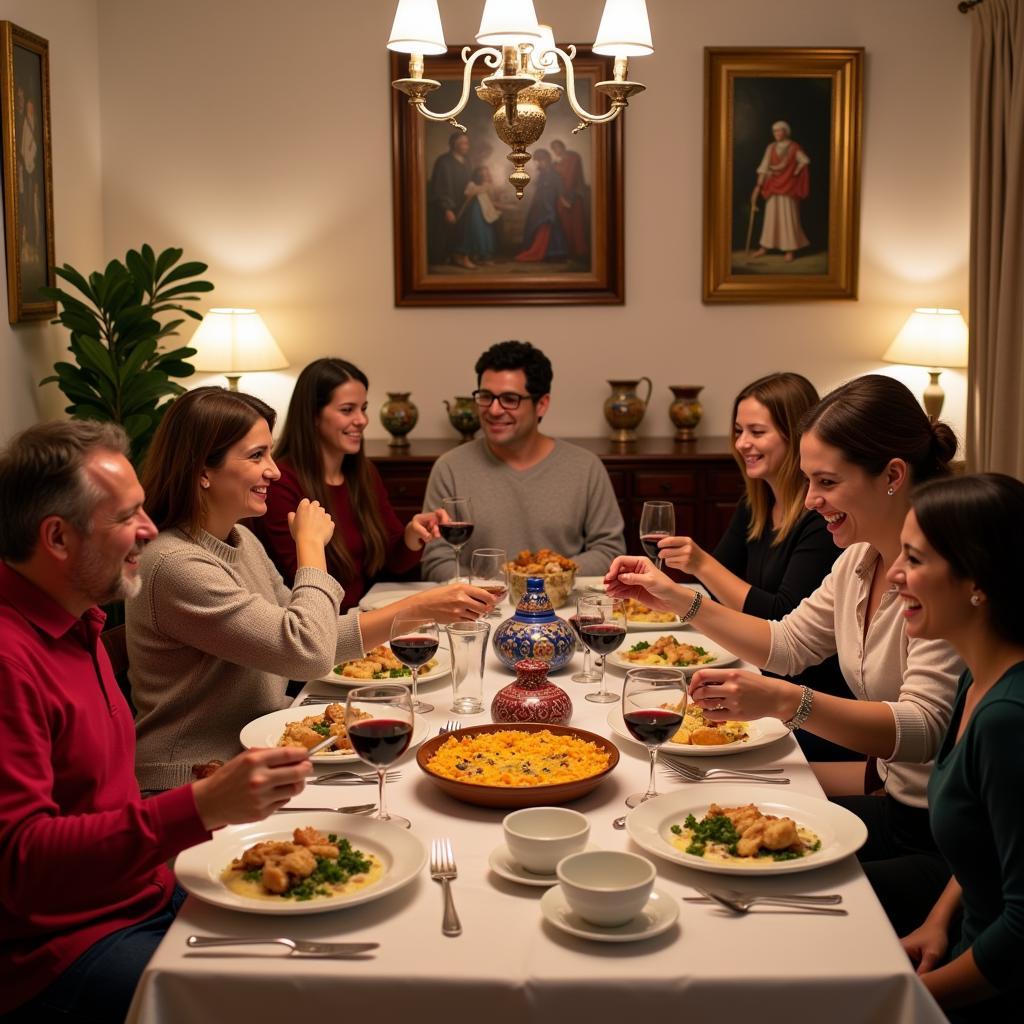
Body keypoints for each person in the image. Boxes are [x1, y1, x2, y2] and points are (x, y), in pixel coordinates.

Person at [605, 374, 963, 924]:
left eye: (826, 482)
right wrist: (678, 600)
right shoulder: (858, 562)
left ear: (892, 475)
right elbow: (787, 642)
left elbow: (921, 729)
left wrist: (785, 703)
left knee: (739, 902)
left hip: (943, 848)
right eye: (807, 480)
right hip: (894, 810)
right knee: (692, 846)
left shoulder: (942, 574)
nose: (812, 500)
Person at [0, 421, 312, 1022]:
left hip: (146, 895)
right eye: (127, 518)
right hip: (61, 950)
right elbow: (19, 862)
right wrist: (198, 807)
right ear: (57, 539)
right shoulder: (12, 660)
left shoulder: (79, 619)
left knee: (319, 955)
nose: (149, 531)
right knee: (277, 1003)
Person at [128, 386, 492, 793]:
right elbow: (306, 651)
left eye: (270, 452)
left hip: (255, 761)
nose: (274, 471)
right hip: (194, 781)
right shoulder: (175, 565)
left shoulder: (239, 541)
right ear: (202, 471)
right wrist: (311, 548)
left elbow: (318, 633)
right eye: (256, 456)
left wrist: (422, 609)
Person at [657, 372, 851, 761]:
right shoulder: (758, 503)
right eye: (738, 430)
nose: (742, 443)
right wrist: (692, 577)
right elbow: (719, 584)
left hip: (815, 704)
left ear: (794, 437)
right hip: (765, 678)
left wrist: (699, 564)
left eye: (757, 431)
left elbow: (781, 617)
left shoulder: (822, 520)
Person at [889, 474, 1024, 1020]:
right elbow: (988, 846)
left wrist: (903, 1001)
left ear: (978, 580)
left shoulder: (1007, 721)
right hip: (960, 949)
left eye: (914, 560)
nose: (896, 575)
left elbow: (1022, 928)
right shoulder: (976, 678)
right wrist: (938, 921)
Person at [252, 358, 495, 617]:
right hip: (317, 624)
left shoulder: (363, 473)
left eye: (363, 408)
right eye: (347, 410)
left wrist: (413, 534)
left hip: (363, 615)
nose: (362, 420)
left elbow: (392, 563)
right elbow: (300, 580)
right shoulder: (281, 483)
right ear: (313, 415)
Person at [420, 340, 625, 581]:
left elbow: (609, 553)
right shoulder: (450, 467)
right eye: (486, 396)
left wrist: (540, 576)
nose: (494, 410)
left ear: (542, 404)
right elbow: (436, 562)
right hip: (479, 609)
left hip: (560, 609)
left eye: (510, 399)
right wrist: (497, 587)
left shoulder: (585, 467)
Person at [750, 120, 810, 262]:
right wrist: (759, 184)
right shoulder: (770, 148)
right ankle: (765, 247)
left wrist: (796, 171)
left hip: (788, 187)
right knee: (771, 217)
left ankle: (790, 249)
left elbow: (805, 160)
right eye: (774, 131)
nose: (776, 133)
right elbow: (764, 166)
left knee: (788, 217)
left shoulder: (794, 147)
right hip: (772, 185)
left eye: (779, 130)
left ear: (786, 132)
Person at [427, 131, 474, 269]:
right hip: (446, 205)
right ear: (454, 144)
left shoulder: (467, 161)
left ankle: (458, 256)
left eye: (467, 143)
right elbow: (439, 187)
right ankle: (450, 257)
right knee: (445, 233)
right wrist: (446, 209)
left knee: (462, 231)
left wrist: (471, 188)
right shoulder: (444, 161)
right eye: (463, 143)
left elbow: (468, 181)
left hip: (463, 203)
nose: (466, 146)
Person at [514, 149, 570, 262]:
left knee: (550, 225)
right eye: (537, 161)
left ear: (547, 160)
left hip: (549, 204)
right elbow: (538, 189)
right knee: (535, 224)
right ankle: (539, 251)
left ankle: (552, 253)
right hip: (539, 204)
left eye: (541, 160)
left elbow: (559, 189)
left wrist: (563, 200)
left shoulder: (554, 174)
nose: (539, 163)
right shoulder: (541, 174)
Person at [550, 139, 589, 262]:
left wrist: (566, 197)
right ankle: (570, 253)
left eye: (557, 148)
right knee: (565, 226)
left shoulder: (573, 157)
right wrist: (561, 196)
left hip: (573, 197)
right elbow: (556, 181)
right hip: (561, 198)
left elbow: (571, 178)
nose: (556, 151)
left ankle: (580, 253)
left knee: (577, 225)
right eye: (554, 149)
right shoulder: (556, 164)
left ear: (562, 147)